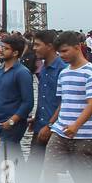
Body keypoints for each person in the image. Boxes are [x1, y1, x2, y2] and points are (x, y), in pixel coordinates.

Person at [45, 31, 92, 183]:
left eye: (65, 51)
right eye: (59, 53)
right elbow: (63, 102)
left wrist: (76, 125)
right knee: (49, 170)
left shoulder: (91, 73)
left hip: (86, 136)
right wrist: (51, 123)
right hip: (61, 132)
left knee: (85, 180)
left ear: (77, 47)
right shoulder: (63, 73)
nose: (62, 55)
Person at [0, 35, 33, 159]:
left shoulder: (22, 73)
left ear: (15, 53)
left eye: (5, 48)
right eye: (0, 47)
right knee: (5, 160)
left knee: (7, 159)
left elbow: (28, 102)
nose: (1, 50)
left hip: (13, 125)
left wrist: (12, 121)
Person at [26, 30, 66, 174]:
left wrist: (50, 125)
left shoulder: (63, 70)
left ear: (49, 46)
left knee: (51, 172)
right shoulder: (43, 68)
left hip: (55, 130)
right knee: (32, 170)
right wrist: (37, 118)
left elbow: (65, 102)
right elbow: (44, 98)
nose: (34, 48)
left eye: (37, 45)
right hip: (40, 126)